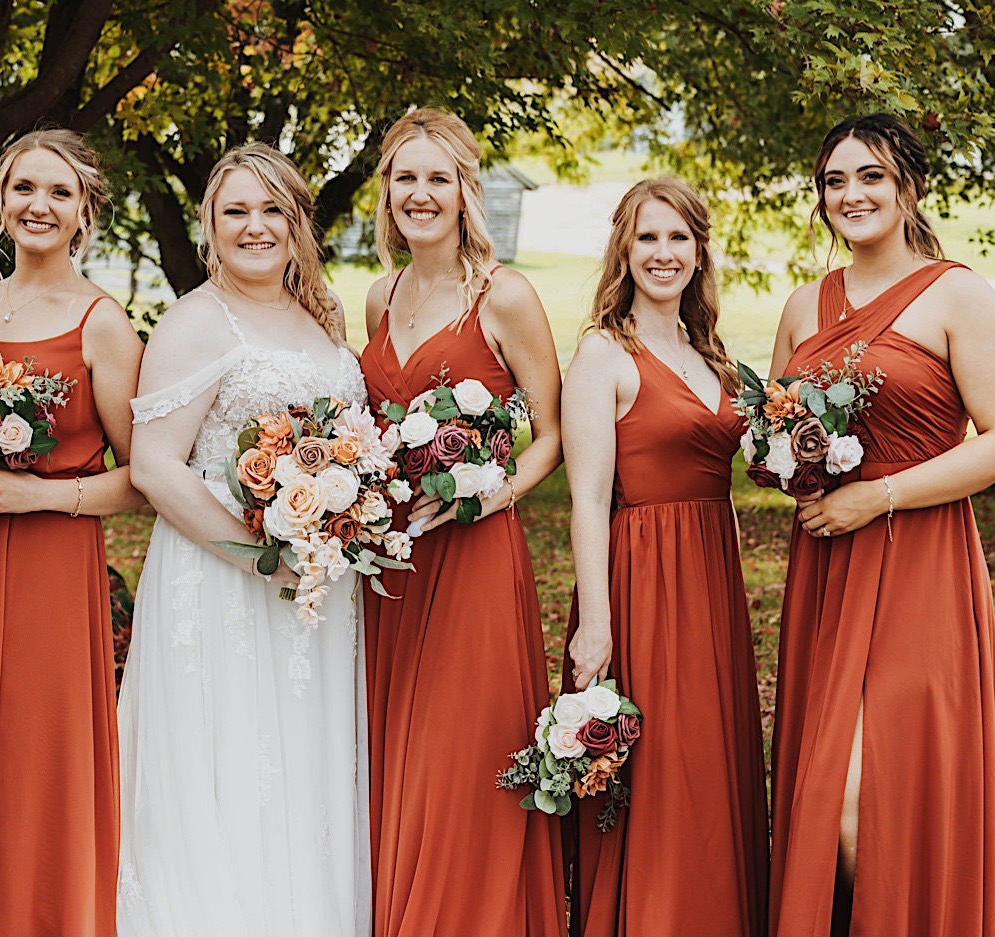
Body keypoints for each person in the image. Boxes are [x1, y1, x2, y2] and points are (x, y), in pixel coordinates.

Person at [767, 113, 995, 935]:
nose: (851, 195)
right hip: (829, 572)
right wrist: (792, 463)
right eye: (835, 181)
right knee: (828, 795)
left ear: (908, 186)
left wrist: (877, 497)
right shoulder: (802, 305)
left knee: (873, 796)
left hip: (921, 559)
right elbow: (781, 431)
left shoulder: (957, 292)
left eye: (870, 176)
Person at [117, 142, 369, 936]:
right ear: (209, 227)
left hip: (317, 586)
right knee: (228, 757)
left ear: (297, 223)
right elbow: (155, 468)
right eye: (236, 212)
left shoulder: (317, 318)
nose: (255, 227)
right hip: (223, 581)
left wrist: (328, 529)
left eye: (272, 210)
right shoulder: (195, 320)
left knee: (306, 758)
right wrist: (258, 558)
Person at [0, 127, 144, 935]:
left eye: (58, 193)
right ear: (1, 201)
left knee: (35, 753)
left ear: (85, 212)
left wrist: (39, 497)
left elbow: (142, 478)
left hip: (53, 560)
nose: (39, 206)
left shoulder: (102, 323)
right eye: (25, 189)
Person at [359, 107, 566, 936]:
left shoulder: (505, 295)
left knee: (462, 754)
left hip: (476, 552)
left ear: (465, 191)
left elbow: (550, 435)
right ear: (387, 193)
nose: (420, 193)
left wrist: (489, 495)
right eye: (405, 178)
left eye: (436, 178)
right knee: (398, 750)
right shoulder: (380, 294)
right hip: (393, 559)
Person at [560, 178, 768, 935]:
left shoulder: (713, 356)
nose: (663, 252)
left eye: (678, 237)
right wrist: (597, 624)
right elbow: (587, 499)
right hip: (640, 582)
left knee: (710, 773)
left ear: (698, 251)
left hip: (712, 582)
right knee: (659, 780)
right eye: (648, 237)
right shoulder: (601, 354)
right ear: (624, 247)